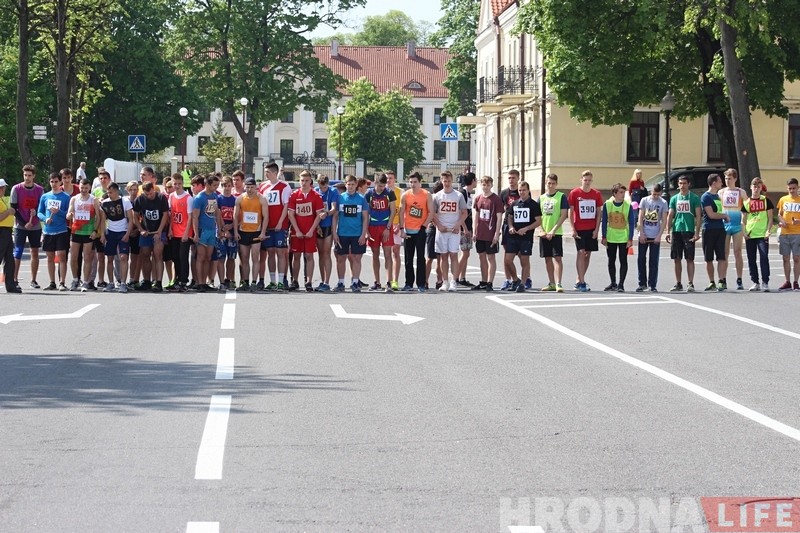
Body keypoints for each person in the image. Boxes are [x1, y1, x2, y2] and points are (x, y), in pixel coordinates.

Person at [287, 171, 324, 291]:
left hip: (310, 230)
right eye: (302, 180)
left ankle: (308, 282)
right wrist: (296, 230)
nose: (304, 183)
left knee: (309, 255)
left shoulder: (316, 196)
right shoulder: (294, 195)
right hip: (296, 230)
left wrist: (311, 230)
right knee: (296, 255)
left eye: (306, 180)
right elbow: (291, 214)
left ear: (311, 181)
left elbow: (318, 215)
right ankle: (295, 280)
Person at [332, 175, 370, 292]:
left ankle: (355, 282)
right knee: (341, 258)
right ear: (346, 184)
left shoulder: (361, 198)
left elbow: (365, 217)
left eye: (353, 184)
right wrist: (334, 232)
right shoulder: (340, 198)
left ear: (356, 185)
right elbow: (335, 217)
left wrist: (363, 234)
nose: (351, 186)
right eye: (349, 184)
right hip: (342, 233)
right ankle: (341, 282)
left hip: (357, 234)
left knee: (356, 258)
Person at [568, 170, 603, 292]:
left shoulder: (596, 194)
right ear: (581, 180)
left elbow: (599, 213)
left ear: (592, 181)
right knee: (581, 252)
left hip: (591, 228)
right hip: (579, 229)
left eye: (589, 180)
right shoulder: (574, 193)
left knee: (588, 254)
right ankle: (582, 282)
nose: (587, 182)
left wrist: (596, 229)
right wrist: (573, 228)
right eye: (585, 180)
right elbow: (571, 212)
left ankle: (579, 278)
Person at [665, 175, 702, 292]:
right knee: (676, 258)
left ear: (689, 184)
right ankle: (678, 283)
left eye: (684, 183)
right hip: (676, 230)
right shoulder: (674, 198)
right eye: (680, 183)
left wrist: (697, 233)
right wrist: (668, 232)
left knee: (689, 258)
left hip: (689, 230)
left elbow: (698, 216)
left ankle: (690, 283)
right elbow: (670, 215)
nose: (682, 186)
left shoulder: (694, 198)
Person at [504, 181, 542, 292]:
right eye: (520, 190)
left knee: (524, 261)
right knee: (507, 260)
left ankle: (523, 283)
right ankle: (515, 280)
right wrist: (511, 227)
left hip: (526, 237)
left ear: (528, 190)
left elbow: (539, 221)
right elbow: (509, 217)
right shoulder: (514, 203)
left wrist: (526, 228)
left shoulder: (534, 205)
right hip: (513, 236)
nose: (522, 192)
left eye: (524, 190)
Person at [67, 179, 104, 291]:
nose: (83, 190)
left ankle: (86, 281)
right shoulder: (74, 199)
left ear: (89, 188)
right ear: (79, 187)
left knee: (87, 258)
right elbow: (68, 215)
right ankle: (75, 280)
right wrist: (70, 215)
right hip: (76, 231)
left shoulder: (94, 200)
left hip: (88, 232)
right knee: (73, 257)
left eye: (86, 188)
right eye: (82, 188)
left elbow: (98, 217)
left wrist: (95, 230)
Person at [433, 171, 468, 292]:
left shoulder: (458, 195)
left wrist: (458, 225)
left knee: (453, 255)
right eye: (444, 181)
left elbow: (464, 213)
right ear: (441, 181)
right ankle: (445, 282)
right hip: (442, 231)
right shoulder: (437, 196)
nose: (447, 183)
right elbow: (432, 214)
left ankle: (454, 281)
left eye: (448, 181)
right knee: (443, 256)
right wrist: (439, 225)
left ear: (451, 181)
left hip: (454, 231)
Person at [259, 161, 291, 290]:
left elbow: (286, 206)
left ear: (274, 172)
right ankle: (272, 281)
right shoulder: (262, 186)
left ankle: (281, 281)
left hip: (280, 226)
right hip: (267, 226)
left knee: (280, 252)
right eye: (265, 172)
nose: (266, 174)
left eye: (268, 172)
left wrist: (280, 222)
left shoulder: (284, 186)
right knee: (270, 252)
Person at [10, 164, 43, 289]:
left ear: (34, 176)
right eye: (25, 175)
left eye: (29, 175)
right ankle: (14, 279)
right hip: (20, 225)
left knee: (35, 252)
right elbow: (14, 209)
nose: (27, 178)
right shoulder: (16, 189)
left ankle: (33, 280)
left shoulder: (39, 190)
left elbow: (41, 207)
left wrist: (35, 214)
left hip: (35, 226)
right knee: (17, 251)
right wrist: (24, 223)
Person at [399, 172, 434, 292]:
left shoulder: (426, 194)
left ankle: (421, 284)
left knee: (420, 257)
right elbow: (401, 212)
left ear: (420, 182)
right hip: (408, 230)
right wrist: (401, 229)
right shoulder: (406, 195)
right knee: (408, 259)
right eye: (411, 182)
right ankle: (408, 283)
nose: (413, 184)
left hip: (420, 230)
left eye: (415, 182)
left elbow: (431, 212)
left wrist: (424, 227)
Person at [133, 181, 170, 292]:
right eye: (147, 194)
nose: (149, 196)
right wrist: (140, 229)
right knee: (145, 255)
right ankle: (147, 281)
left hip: (159, 230)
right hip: (146, 231)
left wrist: (159, 231)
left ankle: (158, 282)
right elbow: (135, 215)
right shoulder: (139, 199)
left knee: (158, 255)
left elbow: (165, 215)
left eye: (151, 193)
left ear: (153, 189)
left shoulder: (161, 198)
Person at [233, 177, 268, 292]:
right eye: (247, 187)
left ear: (256, 187)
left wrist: (263, 232)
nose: (249, 189)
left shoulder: (261, 199)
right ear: (245, 187)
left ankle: (254, 282)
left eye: (252, 187)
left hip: (256, 233)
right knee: (244, 258)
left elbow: (266, 217)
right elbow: (235, 216)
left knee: (255, 258)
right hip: (243, 232)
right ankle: (246, 282)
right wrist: (236, 231)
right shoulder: (240, 199)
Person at [37, 173, 71, 291]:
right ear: (49, 182)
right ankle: (52, 282)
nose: (54, 184)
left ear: (60, 182)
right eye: (52, 182)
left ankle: (62, 282)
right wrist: (45, 219)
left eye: (56, 181)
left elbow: (68, 215)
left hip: (61, 230)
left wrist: (59, 211)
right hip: (48, 231)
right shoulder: (45, 196)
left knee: (62, 256)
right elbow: (39, 212)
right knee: (50, 257)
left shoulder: (66, 197)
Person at [471, 176, 504, 291]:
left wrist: (496, 234)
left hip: (490, 233)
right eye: (483, 185)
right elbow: (476, 216)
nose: (485, 187)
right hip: (480, 232)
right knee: (481, 257)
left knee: (491, 257)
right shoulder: (478, 198)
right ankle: (483, 281)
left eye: (488, 185)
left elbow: (499, 217)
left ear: (491, 185)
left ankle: (490, 282)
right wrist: (474, 231)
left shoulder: (496, 199)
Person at [99, 182, 134, 292]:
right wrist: (103, 234)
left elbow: (131, 219)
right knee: (110, 258)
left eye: (111, 192)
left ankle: (123, 282)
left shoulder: (125, 201)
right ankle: (111, 282)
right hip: (111, 232)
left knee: (123, 257)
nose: (109, 194)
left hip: (122, 231)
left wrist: (128, 233)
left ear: (117, 191)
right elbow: (103, 220)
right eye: (108, 192)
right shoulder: (104, 203)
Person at [364, 173, 396, 292]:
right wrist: (366, 231)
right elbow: (366, 213)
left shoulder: (389, 193)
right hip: (373, 226)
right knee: (375, 255)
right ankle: (377, 282)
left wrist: (388, 228)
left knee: (388, 255)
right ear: (375, 183)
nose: (382, 188)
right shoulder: (369, 194)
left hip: (385, 226)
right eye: (379, 185)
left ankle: (389, 282)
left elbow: (393, 211)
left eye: (383, 186)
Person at [600, 183, 635, 292]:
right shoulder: (608, 204)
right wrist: (604, 236)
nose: (623, 194)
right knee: (611, 260)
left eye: (624, 192)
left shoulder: (627, 205)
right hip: (611, 237)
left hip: (623, 237)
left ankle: (621, 284)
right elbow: (604, 221)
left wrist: (630, 238)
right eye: (620, 192)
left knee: (623, 260)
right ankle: (613, 282)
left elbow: (631, 222)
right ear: (614, 193)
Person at [192, 175, 223, 292]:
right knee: (201, 257)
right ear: (208, 185)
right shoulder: (199, 198)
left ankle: (204, 282)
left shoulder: (215, 196)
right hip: (202, 230)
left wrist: (219, 228)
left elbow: (217, 213)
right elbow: (195, 217)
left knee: (208, 257)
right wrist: (196, 234)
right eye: (214, 185)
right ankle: (199, 282)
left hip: (211, 230)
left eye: (217, 185)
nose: (216, 187)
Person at [741, 177, 773, 291]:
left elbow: (770, 218)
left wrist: (768, 231)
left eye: (758, 186)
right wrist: (744, 232)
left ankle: (765, 282)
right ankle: (755, 282)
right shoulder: (747, 203)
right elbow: (743, 220)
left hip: (762, 235)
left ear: (761, 188)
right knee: (751, 259)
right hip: (750, 235)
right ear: (751, 187)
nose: (756, 188)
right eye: (754, 186)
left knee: (764, 257)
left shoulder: (766, 201)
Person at [538, 173, 569, 292]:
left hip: (556, 233)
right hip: (544, 233)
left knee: (557, 258)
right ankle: (551, 282)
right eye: (549, 183)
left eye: (553, 183)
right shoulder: (541, 198)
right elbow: (538, 216)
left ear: (556, 184)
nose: (550, 185)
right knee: (547, 258)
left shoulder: (561, 197)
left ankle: (558, 283)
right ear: (546, 183)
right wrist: (542, 230)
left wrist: (553, 230)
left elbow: (563, 215)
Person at [635, 183, 668, 292]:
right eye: (654, 194)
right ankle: (642, 283)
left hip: (655, 235)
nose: (656, 197)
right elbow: (640, 217)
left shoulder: (663, 203)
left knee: (653, 261)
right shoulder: (645, 200)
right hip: (644, 233)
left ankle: (652, 284)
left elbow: (664, 221)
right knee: (641, 259)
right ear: (651, 192)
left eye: (658, 194)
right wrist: (642, 233)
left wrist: (659, 236)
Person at [700, 173, 730, 291]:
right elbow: (711, 214)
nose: (721, 183)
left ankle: (721, 280)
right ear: (713, 183)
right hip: (709, 229)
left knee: (721, 256)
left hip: (720, 229)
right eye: (719, 181)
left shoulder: (718, 196)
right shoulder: (705, 197)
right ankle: (711, 281)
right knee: (709, 258)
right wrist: (724, 216)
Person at [720, 168, 748, 290]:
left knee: (737, 252)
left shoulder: (741, 192)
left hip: (737, 225)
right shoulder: (721, 192)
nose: (727, 181)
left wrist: (744, 222)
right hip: (725, 225)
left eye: (730, 178)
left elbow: (746, 209)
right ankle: (723, 279)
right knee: (725, 253)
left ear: (735, 179)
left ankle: (739, 279)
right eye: (726, 178)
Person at [168, 173, 193, 292]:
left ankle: (184, 280)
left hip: (184, 233)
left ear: (183, 183)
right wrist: (170, 230)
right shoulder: (171, 196)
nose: (177, 186)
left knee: (183, 257)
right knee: (175, 257)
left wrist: (186, 233)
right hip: (174, 232)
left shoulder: (188, 198)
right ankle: (177, 279)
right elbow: (171, 215)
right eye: (175, 184)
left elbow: (190, 217)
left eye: (179, 183)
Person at [314, 175, 339, 291]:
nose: (323, 189)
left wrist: (327, 213)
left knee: (326, 253)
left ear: (327, 184)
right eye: (321, 187)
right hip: (318, 225)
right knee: (320, 254)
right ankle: (322, 280)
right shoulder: (315, 191)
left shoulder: (333, 191)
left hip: (328, 225)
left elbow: (334, 208)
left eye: (324, 187)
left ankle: (327, 282)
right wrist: (317, 225)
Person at [776, 177, 800, 291]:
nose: (792, 190)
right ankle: (787, 281)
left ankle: (796, 282)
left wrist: (798, 221)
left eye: (794, 188)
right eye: (790, 188)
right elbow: (779, 214)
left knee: (796, 258)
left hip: (797, 233)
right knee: (785, 258)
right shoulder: (783, 199)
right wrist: (782, 221)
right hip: (785, 233)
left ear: (798, 188)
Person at [499, 169, 521, 290]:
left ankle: (526, 278)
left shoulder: (522, 191)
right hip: (507, 225)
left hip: (521, 226)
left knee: (522, 254)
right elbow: (499, 211)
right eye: (509, 178)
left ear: (518, 178)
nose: (511, 180)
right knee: (507, 253)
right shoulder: (504, 193)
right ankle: (508, 279)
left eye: (513, 178)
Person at [215, 176, 237, 291]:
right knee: (221, 258)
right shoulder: (218, 199)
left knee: (231, 258)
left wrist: (232, 227)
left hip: (232, 233)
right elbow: (217, 215)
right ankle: (222, 281)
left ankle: (229, 279)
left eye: (229, 186)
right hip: (222, 233)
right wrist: (224, 229)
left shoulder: (235, 200)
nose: (227, 188)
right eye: (224, 186)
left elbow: (237, 216)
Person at [456, 172, 476, 287]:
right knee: (465, 253)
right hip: (464, 228)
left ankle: (462, 277)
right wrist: (464, 228)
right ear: (473, 181)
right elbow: (460, 212)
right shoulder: (462, 193)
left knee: (466, 253)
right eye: (475, 180)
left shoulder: (468, 193)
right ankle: (456, 277)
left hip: (468, 227)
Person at [0, 179, 20, 293]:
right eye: (3, 188)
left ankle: (10, 285)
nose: (4, 190)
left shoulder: (1, 199)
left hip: (6, 232)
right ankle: (10, 285)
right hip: (1, 231)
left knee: (9, 260)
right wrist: (8, 212)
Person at [425, 181, 444, 290]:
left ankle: (429, 281)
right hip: (435, 228)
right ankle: (438, 280)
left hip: (434, 229)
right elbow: (431, 215)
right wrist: (439, 225)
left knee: (434, 257)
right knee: (436, 258)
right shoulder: (434, 199)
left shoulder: (432, 198)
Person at [386, 170, 403, 291]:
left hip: (396, 225)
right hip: (385, 225)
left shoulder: (400, 193)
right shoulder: (381, 192)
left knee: (396, 252)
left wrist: (400, 225)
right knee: (387, 253)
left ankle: (395, 281)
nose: (388, 180)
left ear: (394, 179)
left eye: (391, 178)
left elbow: (403, 212)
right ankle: (388, 279)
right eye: (387, 178)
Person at [125, 181, 143, 289]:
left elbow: (142, 217)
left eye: (135, 189)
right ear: (127, 190)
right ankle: (123, 279)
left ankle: (134, 279)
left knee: (135, 257)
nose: (133, 192)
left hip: (137, 232)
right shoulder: (124, 201)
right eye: (131, 189)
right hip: (126, 231)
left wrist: (137, 229)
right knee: (124, 256)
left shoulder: (140, 201)